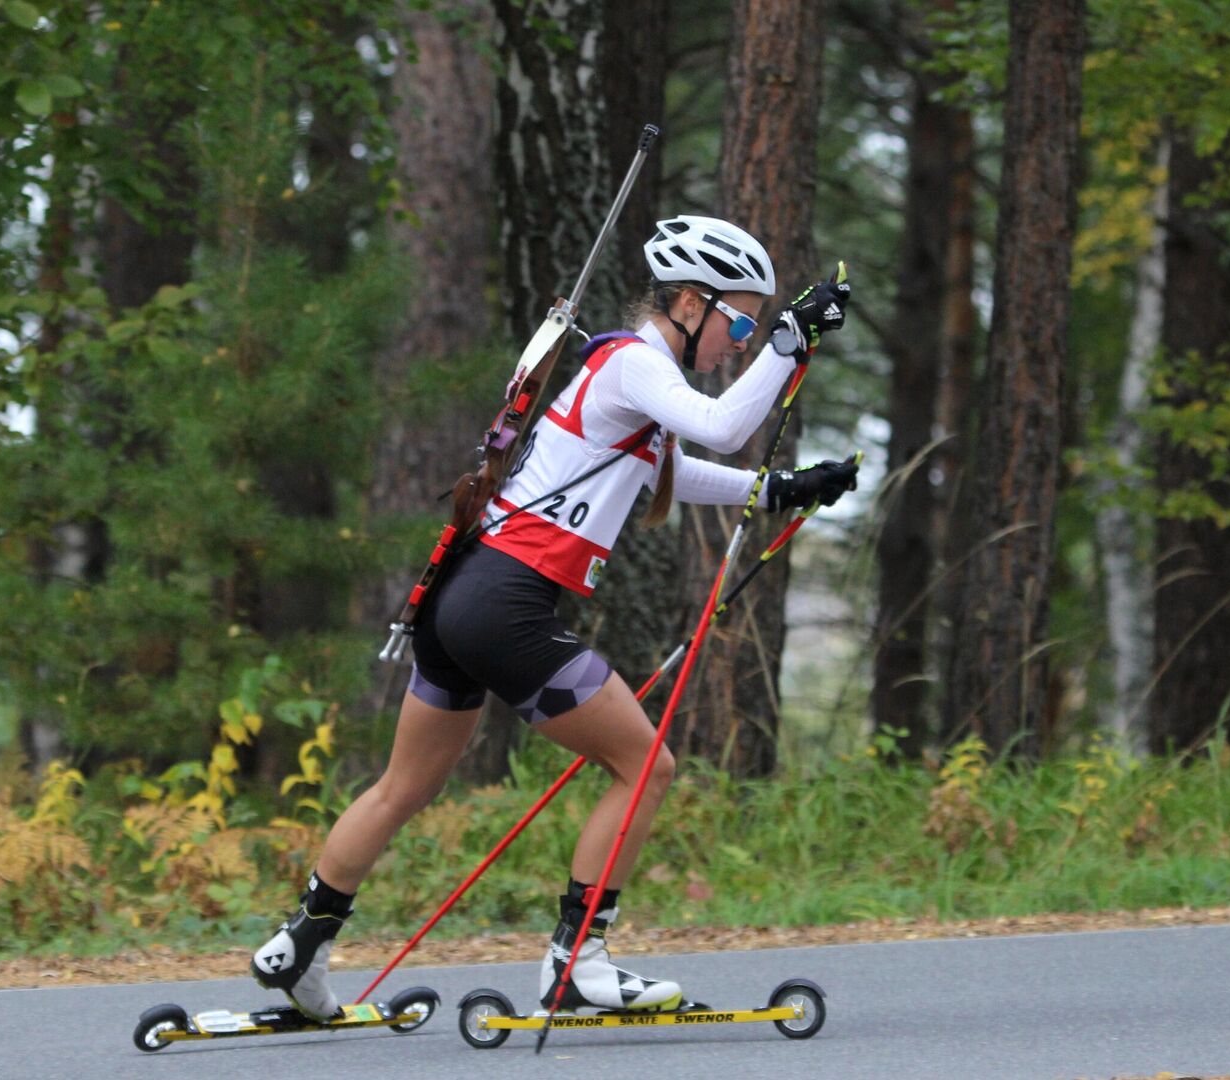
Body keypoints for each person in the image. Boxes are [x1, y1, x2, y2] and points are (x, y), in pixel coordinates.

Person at [252, 215, 858, 1019]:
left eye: (751, 329)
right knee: (647, 768)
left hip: (462, 597)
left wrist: (779, 490)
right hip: (507, 603)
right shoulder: (634, 363)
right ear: (687, 301)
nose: (740, 343)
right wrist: (789, 343)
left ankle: (301, 947)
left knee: (402, 787)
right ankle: (578, 961)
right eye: (738, 321)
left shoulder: (629, 380)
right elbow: (723, 425)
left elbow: (675, 471)